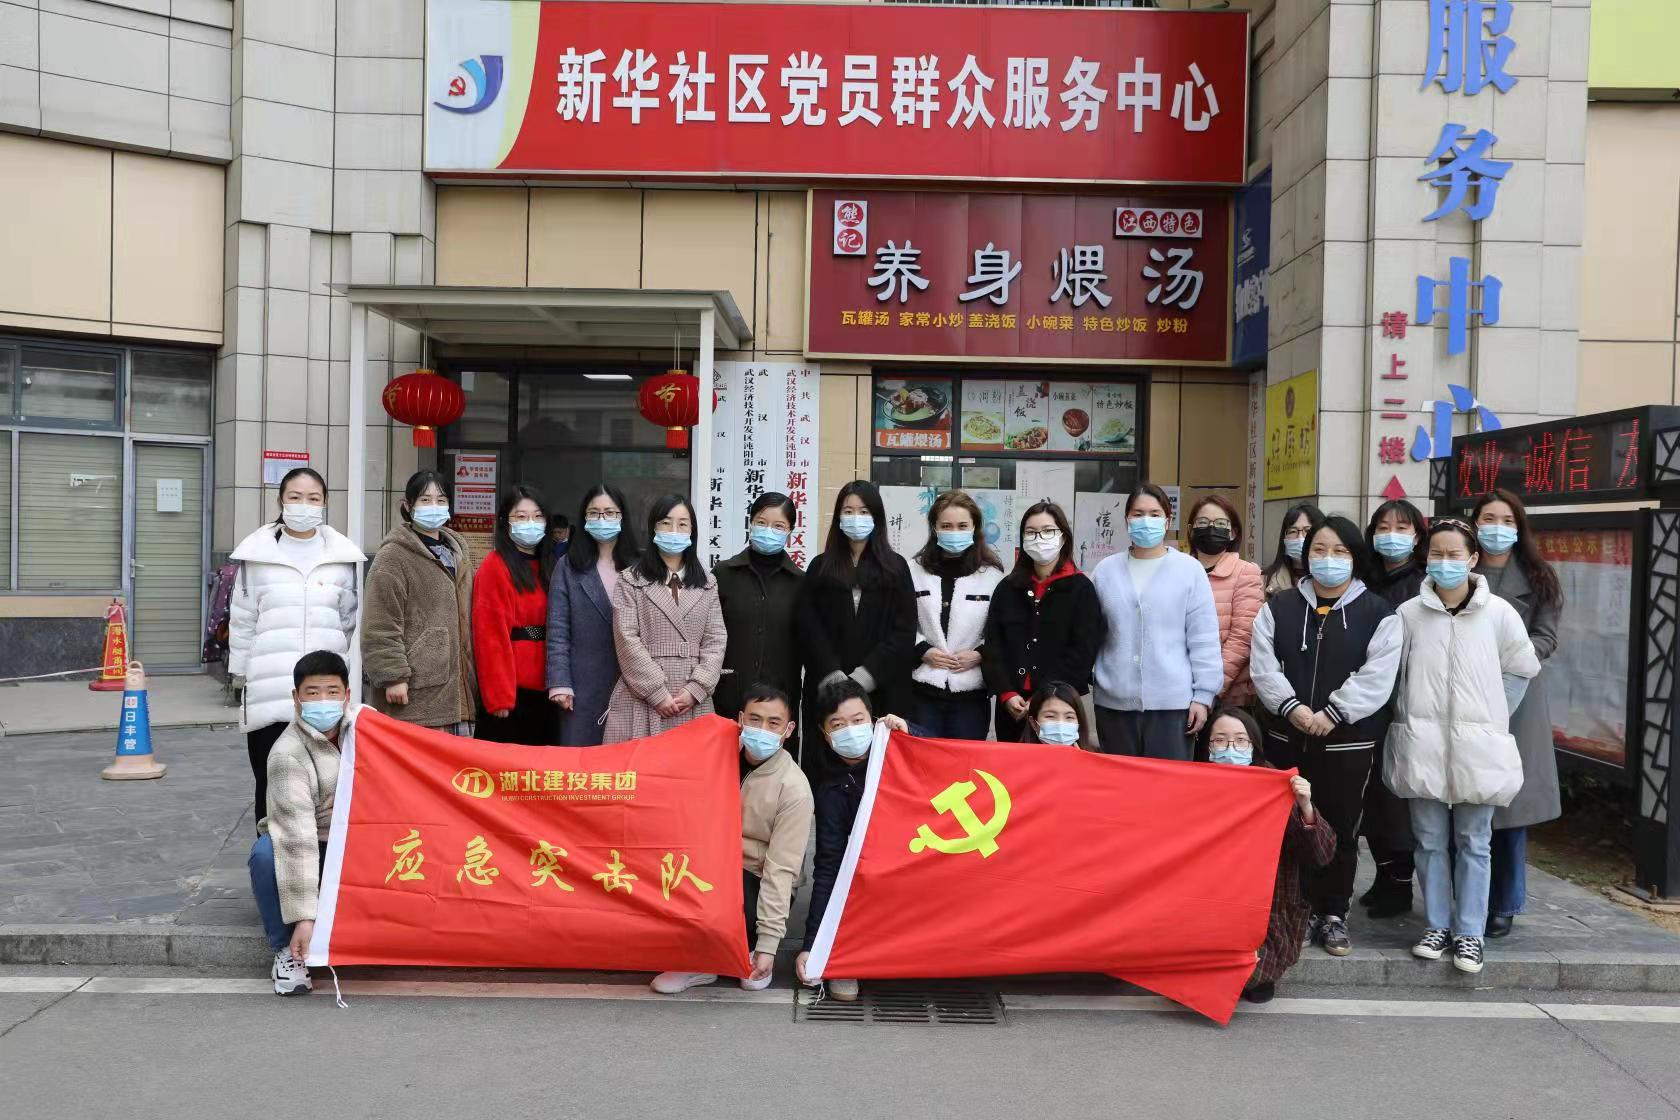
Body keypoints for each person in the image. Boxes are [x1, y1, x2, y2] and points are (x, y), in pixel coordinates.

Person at [1387, 518, 1540, 974]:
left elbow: (1521, 668)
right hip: (1423, 743)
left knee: (1475, 841)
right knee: (1429, 840)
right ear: (1426, 558)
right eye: (1437, 553)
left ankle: (1470, 932)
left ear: (1473, 559)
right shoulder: (1409, 614)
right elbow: (1391, 674)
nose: (1445, 562)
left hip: (1479, 748)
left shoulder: (1499, 614)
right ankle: (1437, 925)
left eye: (1455, 554)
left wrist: (1494, 717)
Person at [1249, 515, 1403, 958]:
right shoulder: (1278, 607)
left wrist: (1335, 712)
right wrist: (1292, 708)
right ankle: (1292, 906)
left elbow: (1378, 675)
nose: (1328, 559)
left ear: (1355, 558)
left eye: (1339, 551)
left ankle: (1333, 912)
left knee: (1339, 827)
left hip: (1346, 742)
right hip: (1287, 738)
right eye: (1319, 550)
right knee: (1287, 826)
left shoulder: (1378, 613)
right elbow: (1264, 666)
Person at [651, 684, 814, 995]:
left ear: (789, 729)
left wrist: (767, 945)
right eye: (755, 719)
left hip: (753, 876)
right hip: (705, 863)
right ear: (740, 719)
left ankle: (742, 949)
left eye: (774, 723)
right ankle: (699, 958)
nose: (762, 730)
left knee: (746, 967)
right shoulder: (714, 756)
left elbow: (781, 870)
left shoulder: (794, 789)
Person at [229, 468, 363, 825]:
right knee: (271, 785)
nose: (304, 505)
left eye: (313, 498)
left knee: (328, 788)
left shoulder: (342, 557)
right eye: (295, 497)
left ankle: (322, 856)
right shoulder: (256, 556)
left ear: (325, 503)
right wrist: (240, 675)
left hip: (324, 698)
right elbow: (242, 621)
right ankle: (271, 854)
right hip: (270, 691)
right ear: (281, 501)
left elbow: (347, 621)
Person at [1195, 708, 1335, 1004]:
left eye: (1240, 740)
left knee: (1254, 981)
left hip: (1264, 908)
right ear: (1207, 747)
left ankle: (1251, 972)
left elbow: (1321, 854)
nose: (1230, 748)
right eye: (1220, 740)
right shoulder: (1191, 788)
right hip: (1209, 902)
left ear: (1253, 746)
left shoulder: (1276, 790)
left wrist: (1306, 807)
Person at [1473, 488, 1563, 939]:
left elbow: (1547, 637)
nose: (1497, 528)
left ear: (1519, 527)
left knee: (1508, 808)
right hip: (1464, 695)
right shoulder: (1460, 569)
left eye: (1506, 521)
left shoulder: (1539, 576)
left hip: (1518, 697)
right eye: (1488, 519)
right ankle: (1467, 898)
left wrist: (1511, 659)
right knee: (1465, 802)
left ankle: (1504, 902)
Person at [794, 678, 910, 1003]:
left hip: (916, 867)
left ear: (873, 720)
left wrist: (912, 733)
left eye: (858, 720)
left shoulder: (901, 753)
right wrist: (812, 946)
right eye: (838, 725)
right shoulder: (830, 791)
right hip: (870, 881)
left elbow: (952, 762)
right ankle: (840, 957)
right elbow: (828, 867)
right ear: (825, 734)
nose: (850, 730)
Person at [1090, 482, 1222, 759]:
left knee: (1169, 783)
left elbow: (1203, 638)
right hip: (1114, 704)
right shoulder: (1105, 571)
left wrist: (1203, 695)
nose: (1145, 521)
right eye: (1138, 514)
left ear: (1168, 521)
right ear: (1127, 519)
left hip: (1173, 706)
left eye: (1154, 514)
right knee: (1118, 781)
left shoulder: (1189, 570)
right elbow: (1093, 633)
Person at [247, 649, 352, 996]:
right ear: (296, 698)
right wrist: (304, 919)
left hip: (357, 842)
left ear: (347, 694)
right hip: (313, 845)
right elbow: (298, 836)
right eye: (313, 692)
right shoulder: (286, 754)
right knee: (266, 854)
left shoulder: (365, 730)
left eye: (332, 691)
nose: (323, 701)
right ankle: (285, 950)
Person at [797, 481, 916, 777]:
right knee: (826, 772)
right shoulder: (820, 567)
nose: (855, 518)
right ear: (838, 517)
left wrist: (864, 678)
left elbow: (903, 631)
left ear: (876, 517)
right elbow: (808, 626)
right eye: (848, 511)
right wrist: (833, 675)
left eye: (863, 511)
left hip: (882, 688)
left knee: (879, 774)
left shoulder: (896, 568)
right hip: (828, 688)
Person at [602, 494, 727, 744]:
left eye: (682, 524)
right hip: (642, 694)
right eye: (666, 523)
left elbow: (716, 640)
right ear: (653, 529)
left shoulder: (707, 583)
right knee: (639, 764)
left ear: (692, 531)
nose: (674, 531)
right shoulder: (630, 580)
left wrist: (696, 688)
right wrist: (656, 692)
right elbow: (627, 640)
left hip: (691, 698)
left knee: (688, 764)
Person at [362, 470, 476, 736]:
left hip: (459, 691)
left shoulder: (457, 552)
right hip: (415, 693)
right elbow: (379, 623)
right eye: (425, 500)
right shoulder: (393, 556)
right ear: (408, 505)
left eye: (441, 500)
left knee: (457, 763)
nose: (434, 506)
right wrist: (393, 676)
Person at [983, 501, 1105, 743]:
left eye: (1048, 531)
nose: (1039, 538)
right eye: (1031, 532)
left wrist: (1045, 697)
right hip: (1012, 705)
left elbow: (1083, 650)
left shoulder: (1081, 588)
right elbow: (994, 645)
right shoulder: (1007, 588)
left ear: (1063, 536)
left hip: (1057, 707)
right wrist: (1006, 693)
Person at [1361, 498, 1430, 918]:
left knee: (1396, 797)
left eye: (1402, 528)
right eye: (1383, 528)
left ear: (1417, 536)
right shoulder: (1365, 579)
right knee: (1372, 795)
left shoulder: (1423, 585)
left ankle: (1400, 881)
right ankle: (1384, 876)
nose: (1391, 536)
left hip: (1406, 703)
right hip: (1368, 702)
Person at [909, 490, 1005, 739]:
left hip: (970, 694)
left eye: (962, 526)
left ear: (974, 527)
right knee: (924, 758)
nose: (954, 532)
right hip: (923, 690)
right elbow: (900, 621)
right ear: (934, 528)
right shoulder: (913, 571)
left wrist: (980, 653)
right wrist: (922, 650)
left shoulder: (992, 576)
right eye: (946, 526)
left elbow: (1001, 631)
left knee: (966, 760)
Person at [547, 484, 638, 746]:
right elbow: (558, 629)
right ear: (584, 518)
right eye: (594, 513)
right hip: (582, 684)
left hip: (631, 683)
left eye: (610, 512)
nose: (602, 519)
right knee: (581, 763)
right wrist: (560, 682)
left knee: (626, 764)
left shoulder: (639, 566)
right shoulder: (568, 566)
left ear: (622, 517)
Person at [473, 485, 560, 745]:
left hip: (550, 686)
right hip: (513, 692)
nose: (530, 523)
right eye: (521, 517)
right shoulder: (495, 566)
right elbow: (490, 635)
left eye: (537, 516)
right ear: (505, 521)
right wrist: (499, 696)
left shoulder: (551, 565)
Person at [713, 493, 804, 724]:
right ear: (750, 524)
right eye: (761, 523)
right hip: (728, 698)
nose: (768, 530)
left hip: (779, 705)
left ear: (790, 531)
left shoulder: (801, 583)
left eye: (778, 526)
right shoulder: (723, 574)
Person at [1189, 495, 1265, 707]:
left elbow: (1242, 638)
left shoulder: (1246, 572)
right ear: (1191, 529)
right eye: (1203, 522)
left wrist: (1208, 691)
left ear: (1233, 532)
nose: (1211, 528)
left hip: (1227, 698)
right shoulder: (1178, 570)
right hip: (1178, 690)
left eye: (1221, 523)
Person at [1262, 502, 1325, 596]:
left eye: (1307, 530)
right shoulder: (1265, 580)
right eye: (1293, 531)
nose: (1300, 537)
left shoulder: (1334, 578)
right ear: (1284, 537)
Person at [1018, 680, 1094, 748]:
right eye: (1050, 716)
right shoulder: (1016, 758)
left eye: (1069, 717)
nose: (1060, 724)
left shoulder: (1094, 758)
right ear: (1033, 723)